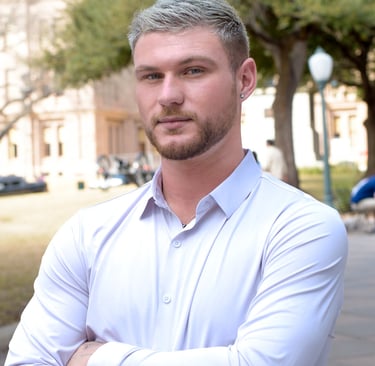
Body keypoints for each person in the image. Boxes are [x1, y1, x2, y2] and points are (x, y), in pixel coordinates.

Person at [6, 1, 348, 365]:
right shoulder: (86, 234)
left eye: (193, 70)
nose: (168, 96)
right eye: (151, 76)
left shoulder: (302, 228)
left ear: (244, 80)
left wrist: (97, 358)